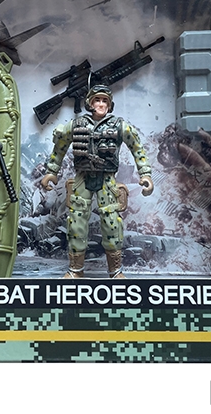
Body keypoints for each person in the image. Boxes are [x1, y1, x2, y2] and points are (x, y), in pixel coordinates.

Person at [41, 85, 154, 278]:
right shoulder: (75, 125)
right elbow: (60, 146)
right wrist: (52, 171)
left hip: (107, 180)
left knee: (112, 223)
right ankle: (76, 270)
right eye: (97, 100)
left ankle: (115, 271)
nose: (101, 104)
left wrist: (145, 174)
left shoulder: (120, 126)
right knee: (76, 223)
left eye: (105, 101)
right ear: (89, 103)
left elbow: (137, 147)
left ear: (110, 105)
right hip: (82, 179)